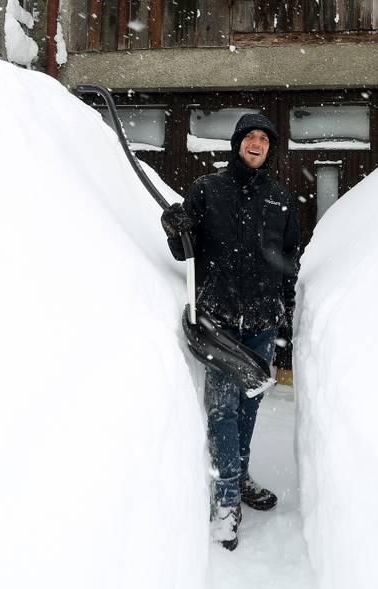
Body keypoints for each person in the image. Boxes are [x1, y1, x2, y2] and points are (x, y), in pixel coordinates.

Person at [160, 113, 300, 551]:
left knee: (248, 412)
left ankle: (237, 479)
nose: (256, 144)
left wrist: (285, 312)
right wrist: (176, 228)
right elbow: (185, 248)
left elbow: (288, 260)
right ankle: (225, 501)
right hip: (218, 324)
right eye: (250, 137)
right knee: (222, 412)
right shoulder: (208, 190)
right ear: (237, 144)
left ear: (269, 149)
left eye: (264, 139)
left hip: (261, 323)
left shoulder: (280, 200)